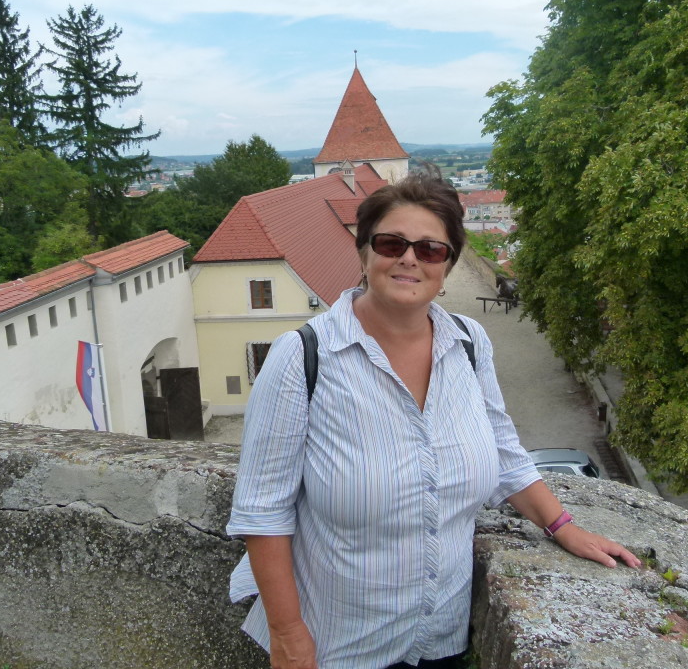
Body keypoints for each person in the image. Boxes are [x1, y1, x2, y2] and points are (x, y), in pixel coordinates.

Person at [227, 170, 640, 669]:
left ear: (448, 264)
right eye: (391, 243)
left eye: (430, 249)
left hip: (441, 638)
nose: (408, 258)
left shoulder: (467, 344)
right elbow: (263, 511)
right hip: (338, 643)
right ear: (364, 252)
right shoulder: (304, 356)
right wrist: (289, 635)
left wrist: (565, 527)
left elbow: (504, 451)